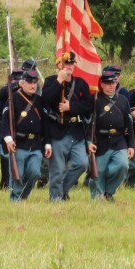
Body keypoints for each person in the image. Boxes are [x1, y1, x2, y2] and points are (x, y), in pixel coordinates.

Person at [41, 52, 92, 201]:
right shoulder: (51, 81)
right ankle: (55, 198)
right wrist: (59, 81)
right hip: (58, 130)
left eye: (71, 64)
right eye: (66, 64)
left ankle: (62, 191)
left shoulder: (81, 83)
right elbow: (45, 100)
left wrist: (71, 107)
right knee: (57, 169)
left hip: (76, 132)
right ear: (59, 65)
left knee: (82, 163)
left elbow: (89, 106)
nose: (69, 66)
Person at [0, 69, 51, 201]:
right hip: (19, 143)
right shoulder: (13, 99)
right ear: (22, 83)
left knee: (35, 173)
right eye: (29, 82)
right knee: (17, 175)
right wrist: (8, 139)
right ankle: (15, 199)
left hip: (35, 144)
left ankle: (23, 196)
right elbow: (5, 121)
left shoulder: (40, 101)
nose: (33, 85)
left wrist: (48, 144)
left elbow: (46, 124)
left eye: (35, 82)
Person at [87, 69, 135, 201]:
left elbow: (129, 123)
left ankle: (109, 192)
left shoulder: (123, 100)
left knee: (122, 166)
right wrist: (88, 142)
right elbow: (87, 123)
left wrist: (131, 145)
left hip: (119, 140)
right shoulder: (94, 99)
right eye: (107, 83)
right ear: (101, 84)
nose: (111, 86)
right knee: (99, 171)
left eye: (113, 83)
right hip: (100, 140)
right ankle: (97, 197)